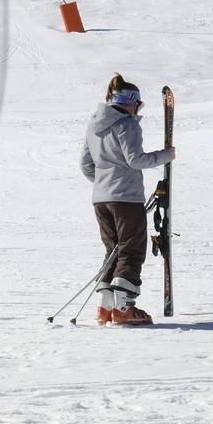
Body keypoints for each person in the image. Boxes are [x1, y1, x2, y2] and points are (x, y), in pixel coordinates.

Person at [81, 74, 175, 326]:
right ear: (130, 102)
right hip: (126, 199)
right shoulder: (127, 124)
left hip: (100, 200)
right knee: (131, 251)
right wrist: (165, 155)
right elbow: (136, 160)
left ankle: (105, 309)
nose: (137, 110)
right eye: (138, 105)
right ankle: (124, 310)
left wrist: (106, 183)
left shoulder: (94, 125)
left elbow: (86, 166)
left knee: (113, 251)